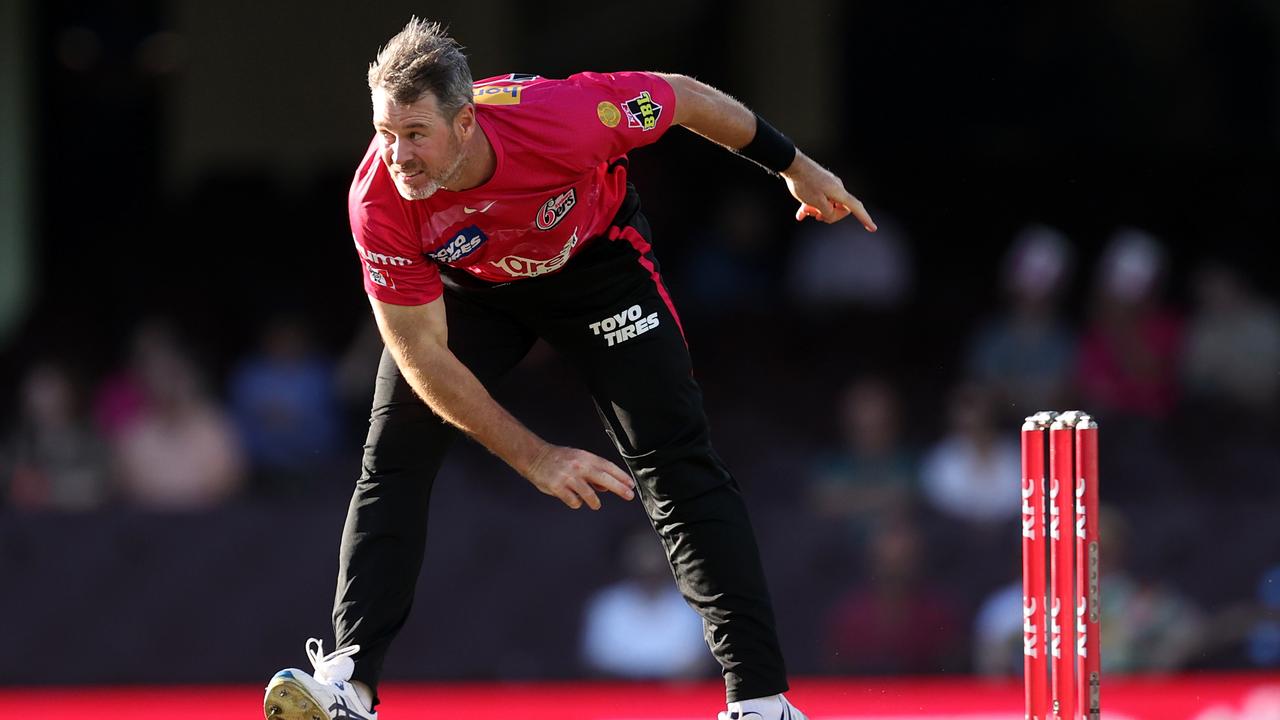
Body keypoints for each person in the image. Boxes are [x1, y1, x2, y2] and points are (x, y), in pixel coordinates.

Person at [264, 18, 875, 720]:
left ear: (466, 123)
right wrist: (535, 457)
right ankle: (351, 687)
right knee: (394, 452)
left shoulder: (567, 117)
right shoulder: (377, 199)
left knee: (674, 460)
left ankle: (761, 701)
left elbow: (681, 99)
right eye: (385, 133)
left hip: (596, 270)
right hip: (474, 290)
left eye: (415, 135)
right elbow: (420, 353)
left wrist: (794, 166)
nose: (397, 157)